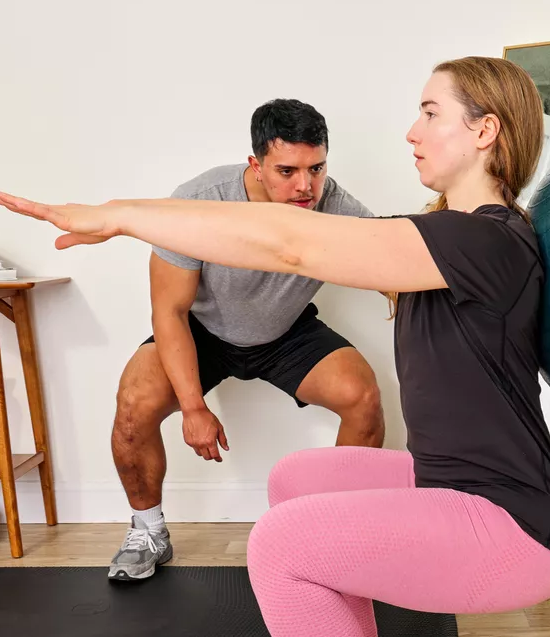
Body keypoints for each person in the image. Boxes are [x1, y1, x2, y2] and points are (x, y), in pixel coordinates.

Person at [0, 55, 550, 637]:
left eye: (430, 112)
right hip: (459, 482)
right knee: (301, 479)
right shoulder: (449, 240)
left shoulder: (485, 241)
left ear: (485, 131)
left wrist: (123, 214)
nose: (411, 131)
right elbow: (290, 238)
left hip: (515, 522)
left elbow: (292, 244)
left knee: (278, 545)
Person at [107, 99, 383, 582]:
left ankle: (336, 534)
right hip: (203, 330)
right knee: (134, 402)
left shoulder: (333, 203)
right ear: (255, 164)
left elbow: (394, 259)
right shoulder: (199, 202)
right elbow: (169, 311)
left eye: (316, 168)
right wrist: (193, 407)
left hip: (284, 331)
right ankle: (147, 531)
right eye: (287, 171)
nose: (305, 186)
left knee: (362, 397)